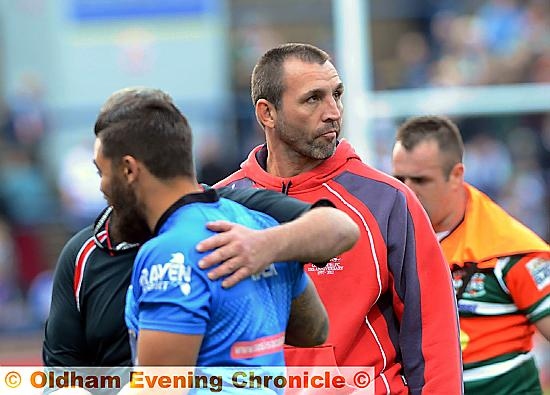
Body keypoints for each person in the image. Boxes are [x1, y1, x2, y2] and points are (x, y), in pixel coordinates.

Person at [213, 43, 462, 394]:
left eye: (337, 94)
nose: (333, 112)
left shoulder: (387, 201)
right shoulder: (218, 205)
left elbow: (434, 334)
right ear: (267, 113)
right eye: (313, 98)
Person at [88, 87, 359, 371]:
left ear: (129, 170)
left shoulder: (169, 253)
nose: (101, 186)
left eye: (101, 172)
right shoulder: (258, 227)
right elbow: (314, 332)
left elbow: (160, 390)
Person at [391, 115, 550, 395]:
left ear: (456, 175)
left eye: (420, 180)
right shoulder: (387, 239)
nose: (406, 190)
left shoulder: (510, 251)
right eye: (399, 178)